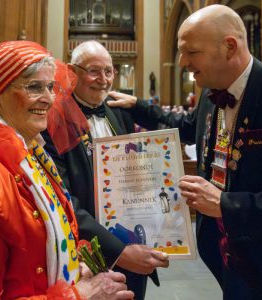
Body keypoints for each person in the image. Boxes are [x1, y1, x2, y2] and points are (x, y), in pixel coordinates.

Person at [108, 4, 262, 300]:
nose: (183, 62)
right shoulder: (212, 94)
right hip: (237, 266)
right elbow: (186, 125)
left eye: (191, 52)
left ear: (229, 46)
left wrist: (226, 204)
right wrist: (138, 106)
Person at [0, 40, 134, 300]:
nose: (48, 99)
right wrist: (78, 296)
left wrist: (72, 266)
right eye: (34, 87)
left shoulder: (31, 150)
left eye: (50, 87)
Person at [42, 40, 169, 300]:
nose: (103, 79)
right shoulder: (53, 120)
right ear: (71, 71)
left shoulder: (120, 111)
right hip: (88, 251)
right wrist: (118, 250)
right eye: (94, 71)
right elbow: (63, 198)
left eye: (109, 71)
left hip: (134, 241)